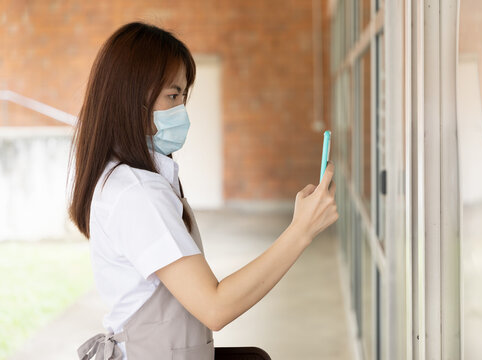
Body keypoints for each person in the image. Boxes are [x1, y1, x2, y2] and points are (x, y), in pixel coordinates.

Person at [69, 21, 338, 360]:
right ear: (131, 99)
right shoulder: (137, 193)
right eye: (173, 95)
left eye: (183, 96)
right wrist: (302, 230)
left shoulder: (133, 179)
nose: (182, 109)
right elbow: (214, 307)